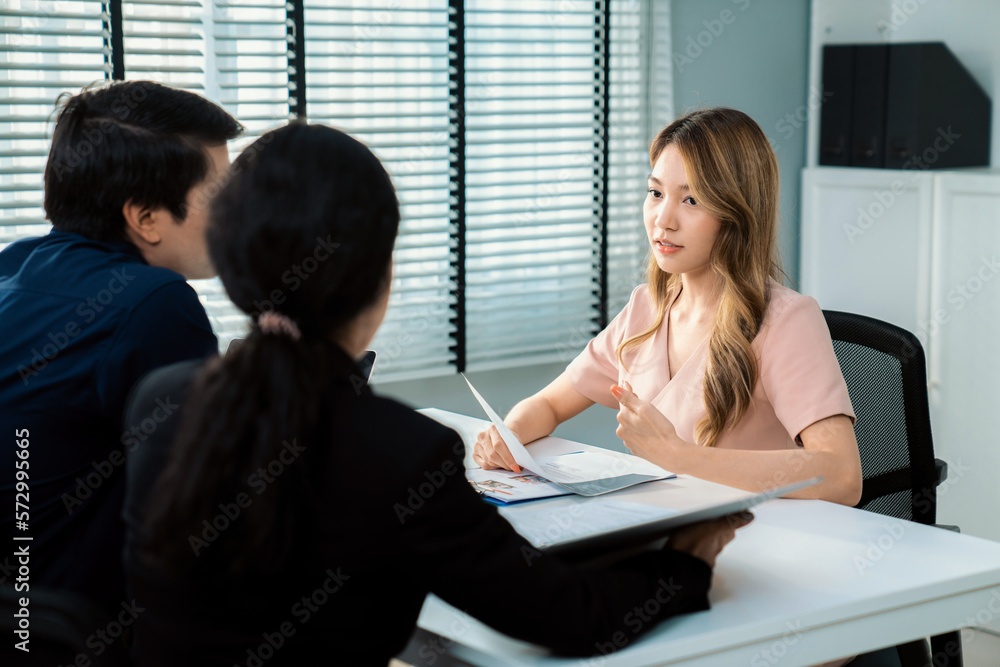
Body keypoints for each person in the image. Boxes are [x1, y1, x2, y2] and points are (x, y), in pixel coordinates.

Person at [121, 122, 752, 666]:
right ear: (380, 271)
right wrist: (686, 564)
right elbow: (569, 618)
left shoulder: (160, 400)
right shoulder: (399, 453)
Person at [474, 107, 863, 507]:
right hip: (659, 527)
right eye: (656, 193)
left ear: (737, 213)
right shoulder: (647, 307)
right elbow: (550, 403)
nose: (663, 219)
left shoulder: (785, 320)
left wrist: (681, 457)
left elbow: (842, 476)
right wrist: (510, 434)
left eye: (691, 199)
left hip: (751, 537)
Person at [0, 80, 242, 613]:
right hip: (70, 634)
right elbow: (222, 497)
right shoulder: (153, 303)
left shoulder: (13, 266)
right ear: (146, 218)